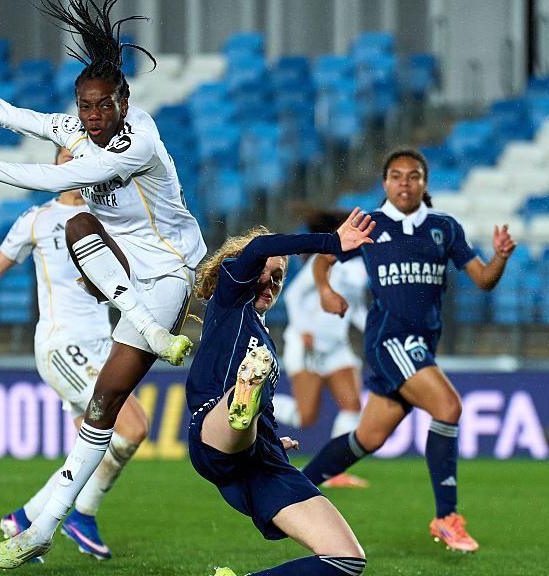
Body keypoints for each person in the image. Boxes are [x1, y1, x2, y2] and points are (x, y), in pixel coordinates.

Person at [0, 0, 206, 568]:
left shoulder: (137, 143)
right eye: (85, 106)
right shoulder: (73, 131)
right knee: (104, 408)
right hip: (128, 275)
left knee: (125, 402)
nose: (93, 116)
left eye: (103, 105)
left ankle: (160, 335)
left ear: (125, 103)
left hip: (174, 271)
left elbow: (52, 177)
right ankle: (42, 529)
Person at [0, 146, 149, 561]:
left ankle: (24, 518)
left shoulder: (106, 217)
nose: (73, 163)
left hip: (103, 344)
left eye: (81, 157)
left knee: (90, 449)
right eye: (66, 157)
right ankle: (81, 514)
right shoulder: (38, 219)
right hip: (62, 345)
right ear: (54, 166)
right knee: (132, 427)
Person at [301, 149, 516, 554]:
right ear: (385, 183)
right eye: (396, 176)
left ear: (424, 183)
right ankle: (447, 519)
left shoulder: (444, 228)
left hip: (421, 346)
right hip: (390, 341)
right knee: (448, 407)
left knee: (367, 438)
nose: (405, 182)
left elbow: (484, 279)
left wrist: (500, 258)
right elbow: (323, 259)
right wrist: (326, 291)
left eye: (413, 176)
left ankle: (295, 488)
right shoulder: (370, 225)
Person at [187, 208, 374, 576]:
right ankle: (243, 405)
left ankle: (247, 408)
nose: (272, 282)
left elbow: (267, 409)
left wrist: (272, 441)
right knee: (246, 391)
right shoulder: (231, 300)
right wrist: (331, 242)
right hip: (215, 431)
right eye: (266, 272)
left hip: (260, 459)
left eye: (279, 278)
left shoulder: (266, 340)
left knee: (347, 559)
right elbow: (261, 246)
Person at [274, 210, 370, 489]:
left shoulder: (360, 267)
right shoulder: (324, 259)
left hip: (336, 345)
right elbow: (293, 295)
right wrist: (303, 328)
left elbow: (355, 307)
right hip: (308, 344)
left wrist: (376, 329)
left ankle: (335, 472)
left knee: (353, 405)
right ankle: (256, 403)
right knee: (305, 417)